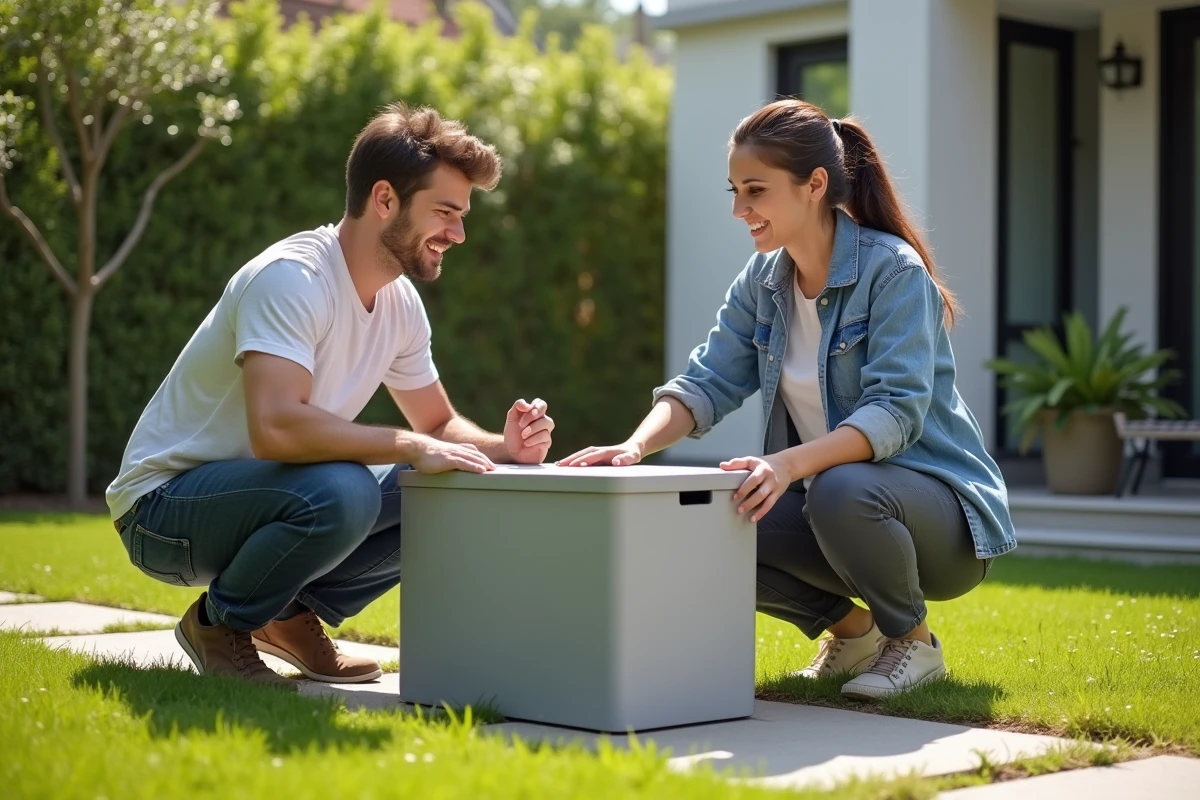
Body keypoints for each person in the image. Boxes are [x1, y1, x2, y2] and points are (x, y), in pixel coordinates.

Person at [559, 99, 1016, 699]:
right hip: (838, 510)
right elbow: (706, 382)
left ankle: (916, 644)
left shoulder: (894, 273)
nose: (738, 209)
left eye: (755, 190)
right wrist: (634, 446)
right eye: (734, 190)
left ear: (815, 185)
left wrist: (786, 465)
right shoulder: (763, 282)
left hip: (943, 524)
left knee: (840, 486)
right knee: (703, 522)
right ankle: (855, 635)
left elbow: (896, 412)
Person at [106, 103, 555, 691]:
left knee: (452, 483)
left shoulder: (398, 303)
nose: (459, 233)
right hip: (162, 510)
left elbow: (438, 424)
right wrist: (409, 444)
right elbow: (278, 428)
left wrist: (503, 447)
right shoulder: (292, 279)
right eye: (445, 212)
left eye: (463, 215)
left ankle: (285, 615)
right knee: (342, 490)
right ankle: (219, 625)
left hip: (258, 499)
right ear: (385, 200)